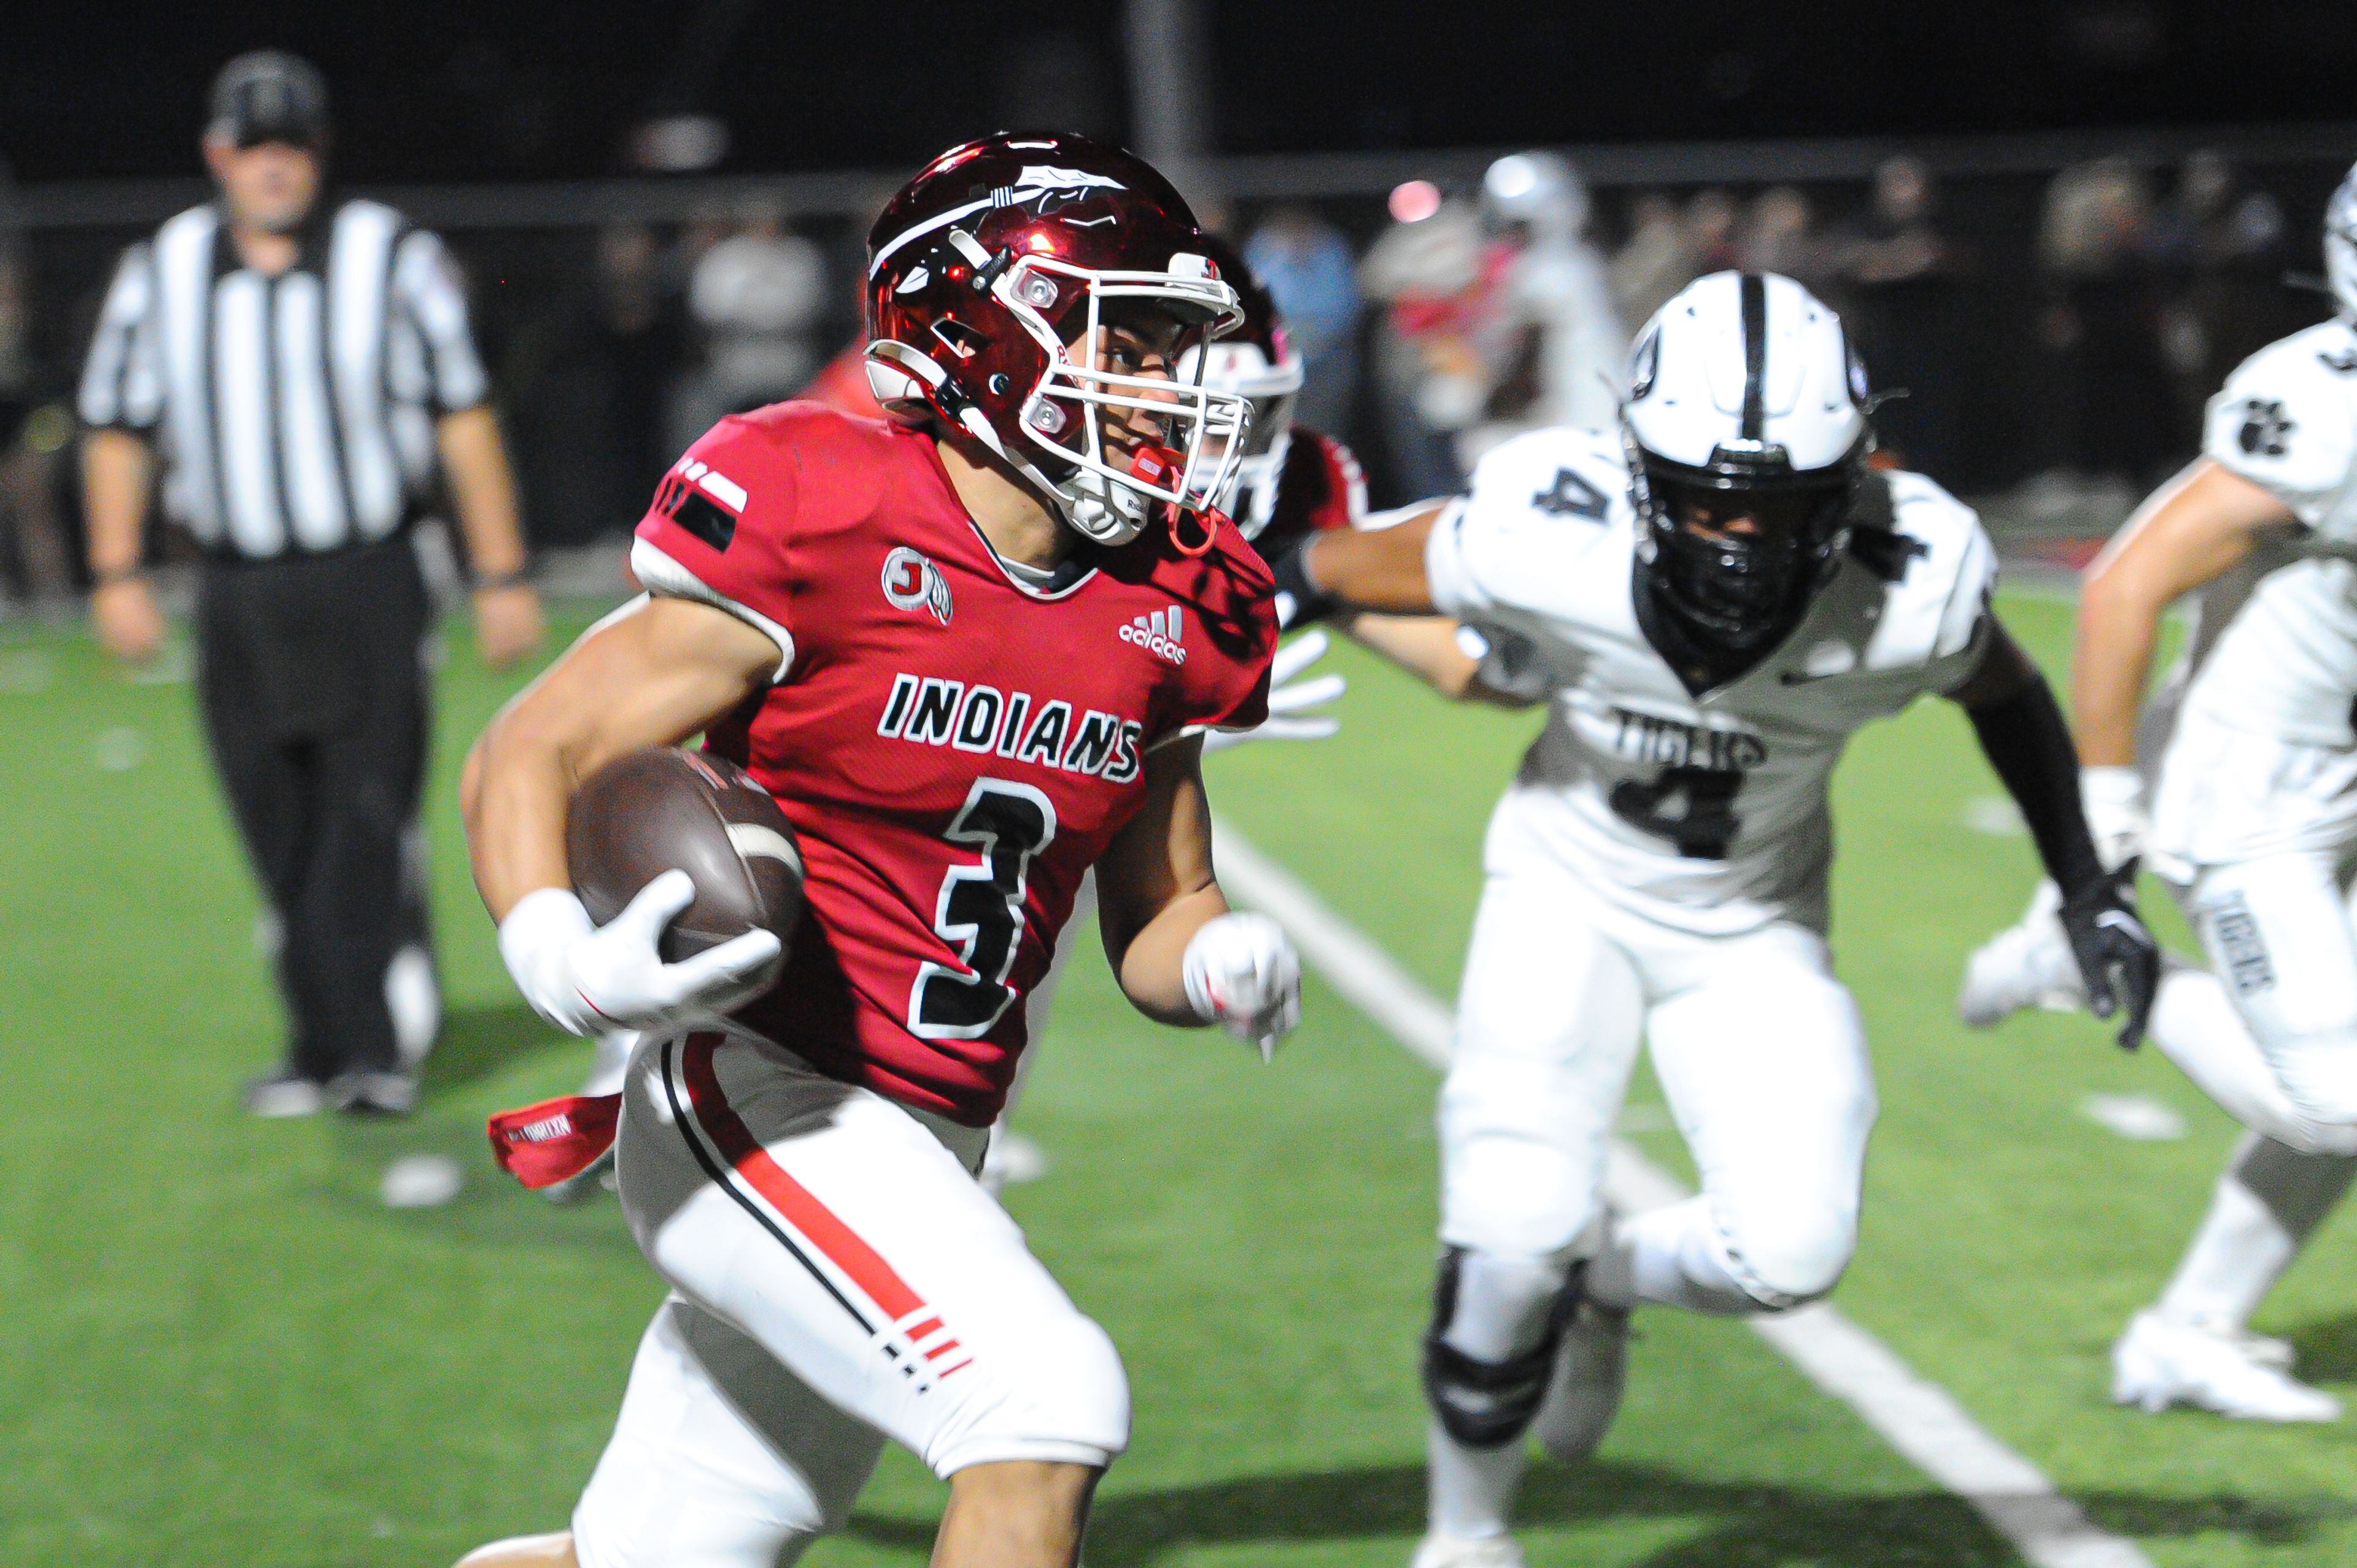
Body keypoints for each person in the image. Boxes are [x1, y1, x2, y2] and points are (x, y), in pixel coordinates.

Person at [451, 133, 1301, 1568]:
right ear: (981, 330)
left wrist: (1218, 959)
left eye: (1170, 347)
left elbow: (1161, 905)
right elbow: (529, 751)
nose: (1167, 385)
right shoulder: (821, 502)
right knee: (1045, 1404)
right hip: (766, 1093)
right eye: (1130, 338)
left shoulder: (1178, 597)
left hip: (939, 1135)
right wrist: (559, 958)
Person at [1265, 271, 2161, 1568]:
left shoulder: (1915, 574)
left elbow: (2007, 696)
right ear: (1633, 468)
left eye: (1780, 504)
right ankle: (1465, 1539)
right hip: (1562, 896)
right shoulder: (1543, 524)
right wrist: (1234, 590)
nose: (1739, 538)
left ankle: (1606, 1280)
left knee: (1791, 1251)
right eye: (1706, 498)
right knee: (1508, 1240)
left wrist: (2090, 887)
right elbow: (1343, 564)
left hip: (1752, 929)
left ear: (1850, 478)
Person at [1960, 161, 2357, 1423]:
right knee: (2344, 1103)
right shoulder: (2326, 406)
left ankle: (2187, 1333)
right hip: (2247, 795)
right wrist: (2107, 802)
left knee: (2338, 1100)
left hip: (2339, 776)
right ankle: (2083, 963)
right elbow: (2128, 583)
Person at [77, 50, 541, 1115]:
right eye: (253, 146)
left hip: (368, 575)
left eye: (290, 146)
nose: (272, 167)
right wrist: (115, 571)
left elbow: (462, 415)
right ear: (216, 155)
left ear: (319, 153)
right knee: (273, 818)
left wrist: (501, 569)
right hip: (238, 588)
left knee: (365, 814)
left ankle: (376, 1044)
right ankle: (317, 1040)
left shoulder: (390, 256)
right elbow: (115, 426)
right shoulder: (167, 266)